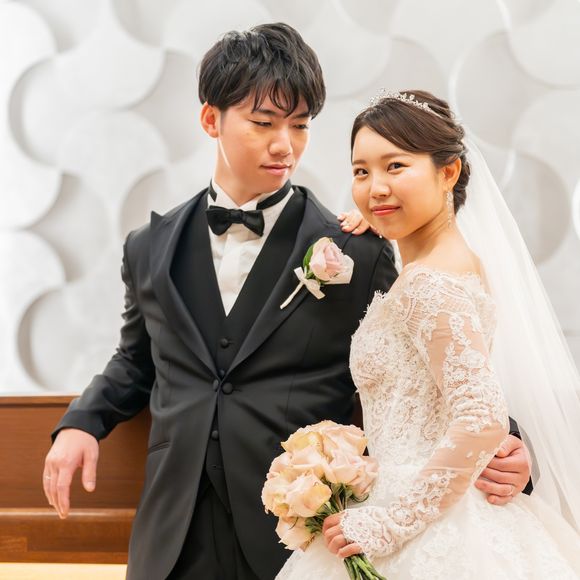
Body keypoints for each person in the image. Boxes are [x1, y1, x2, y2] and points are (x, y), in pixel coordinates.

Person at [42, 24, 531, 580]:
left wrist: (509, 444)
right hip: (174, 530)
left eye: (300, 125)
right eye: (264, 122)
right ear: (211, 120)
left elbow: (425, 361)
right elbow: (134, 360)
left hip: (299, 533)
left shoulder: (358, 250)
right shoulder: (148, 247)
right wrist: (82, 423)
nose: (286, 145)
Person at [276, 90, 580, 579]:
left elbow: (481, 417)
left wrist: (391, 523)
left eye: (395, 166)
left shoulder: (427, 283)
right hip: (436, 501)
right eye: (361, 171)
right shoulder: (454, 265)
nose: (375, 188)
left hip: (423, 520)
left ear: (448, 172)